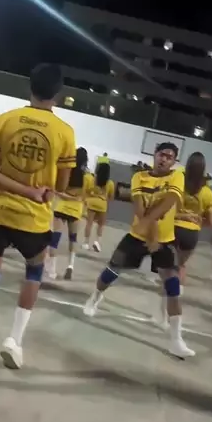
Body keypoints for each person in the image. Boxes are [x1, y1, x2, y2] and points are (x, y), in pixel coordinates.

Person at [0, 63, 76, 385]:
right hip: (33, 219)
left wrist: (12, 183)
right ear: (58, 93)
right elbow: (60, 185)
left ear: (30, 87)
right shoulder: (64, 132)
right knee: (34, 272)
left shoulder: (5, 119)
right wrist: (32, 190)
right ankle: (14, 340)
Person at [83, 141, 195, 358]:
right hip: (137, 237)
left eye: (169, 157)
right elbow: (140, 209)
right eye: (162, 154)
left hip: (164, 240)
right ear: (155, 154)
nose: (164, 159)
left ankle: (176, 340)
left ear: (174, 161)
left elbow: (168, 203)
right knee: (111, 272)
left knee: (173, 286)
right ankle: (95, 297)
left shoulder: (177, 177)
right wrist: (150, 234)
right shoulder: (139, 177)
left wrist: (155, 238)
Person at [45, 146, 90, 280]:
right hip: (75, 211)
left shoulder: (67, 172)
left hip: (61, 207)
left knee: (55, 239)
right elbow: (84, 197)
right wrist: (75, 199)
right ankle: (70, 266)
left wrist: (65, 196)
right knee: (73, 239)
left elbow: (57, 190)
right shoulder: (88, 178)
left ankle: (52, 270)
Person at [174, 152, 212, 291]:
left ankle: (168, 296)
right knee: (181, 265)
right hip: (191, 233)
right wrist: (198, 223)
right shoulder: (207, 193)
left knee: (169, 267)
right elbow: (211, 221)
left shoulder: (178, 185)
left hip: (173, 229)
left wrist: (181, 216)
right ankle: (177, 295)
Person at [82, 161, 115, 252]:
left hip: (91, 203)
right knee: (101, 225)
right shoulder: (110, 183)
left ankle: (86, 243)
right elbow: (111, 197)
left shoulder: (92, 179)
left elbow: (86, 191)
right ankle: (97, 242)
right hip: (102, 205)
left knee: (89, 223)